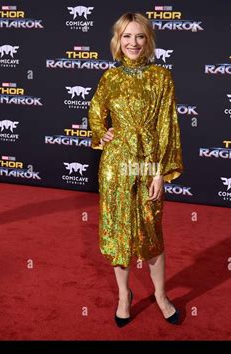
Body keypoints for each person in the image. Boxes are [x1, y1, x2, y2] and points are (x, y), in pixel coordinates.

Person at [88, 12, 184, 327]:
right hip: (116, 166)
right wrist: (101, 133)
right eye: (127, 37)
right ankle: (123, 296)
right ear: (118, 41)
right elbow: (95, 110)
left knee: (151, 232)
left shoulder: (161, 77)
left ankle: (160, 294)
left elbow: (168, 126)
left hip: (147, 165)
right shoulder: (110, 77)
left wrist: (159, 172)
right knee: (118, 235)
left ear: (148, 40)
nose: (133, 43)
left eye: (139, 36)